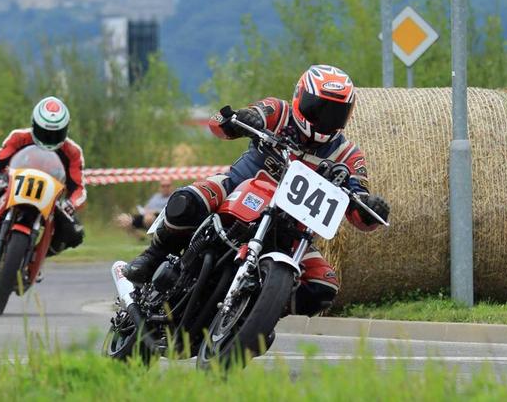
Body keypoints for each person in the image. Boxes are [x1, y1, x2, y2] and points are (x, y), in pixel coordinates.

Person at [123, 64, 390, 317]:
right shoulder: (278, 111)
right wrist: (241, 119)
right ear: (300, 97)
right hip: (235, 188)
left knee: (323, 287)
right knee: (186, 202)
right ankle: (153, 255)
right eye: (318, 107)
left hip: (289, 232)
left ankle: (256, 313)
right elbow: (223, 123)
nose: (324, 118)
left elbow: (359, 201)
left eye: (334, 112)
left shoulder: (348, 155)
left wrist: (369, 207)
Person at [0, 96, 86, 261]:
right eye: (44, 132)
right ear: (34, 125)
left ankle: (38, 258)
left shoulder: (73, 152)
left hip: (50, 199)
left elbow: (79, 188)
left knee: (75, 233)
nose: (49, 139)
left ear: (66, 130)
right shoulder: (19, 137)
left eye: (56, 134)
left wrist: (71, 204)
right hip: (13, 186)